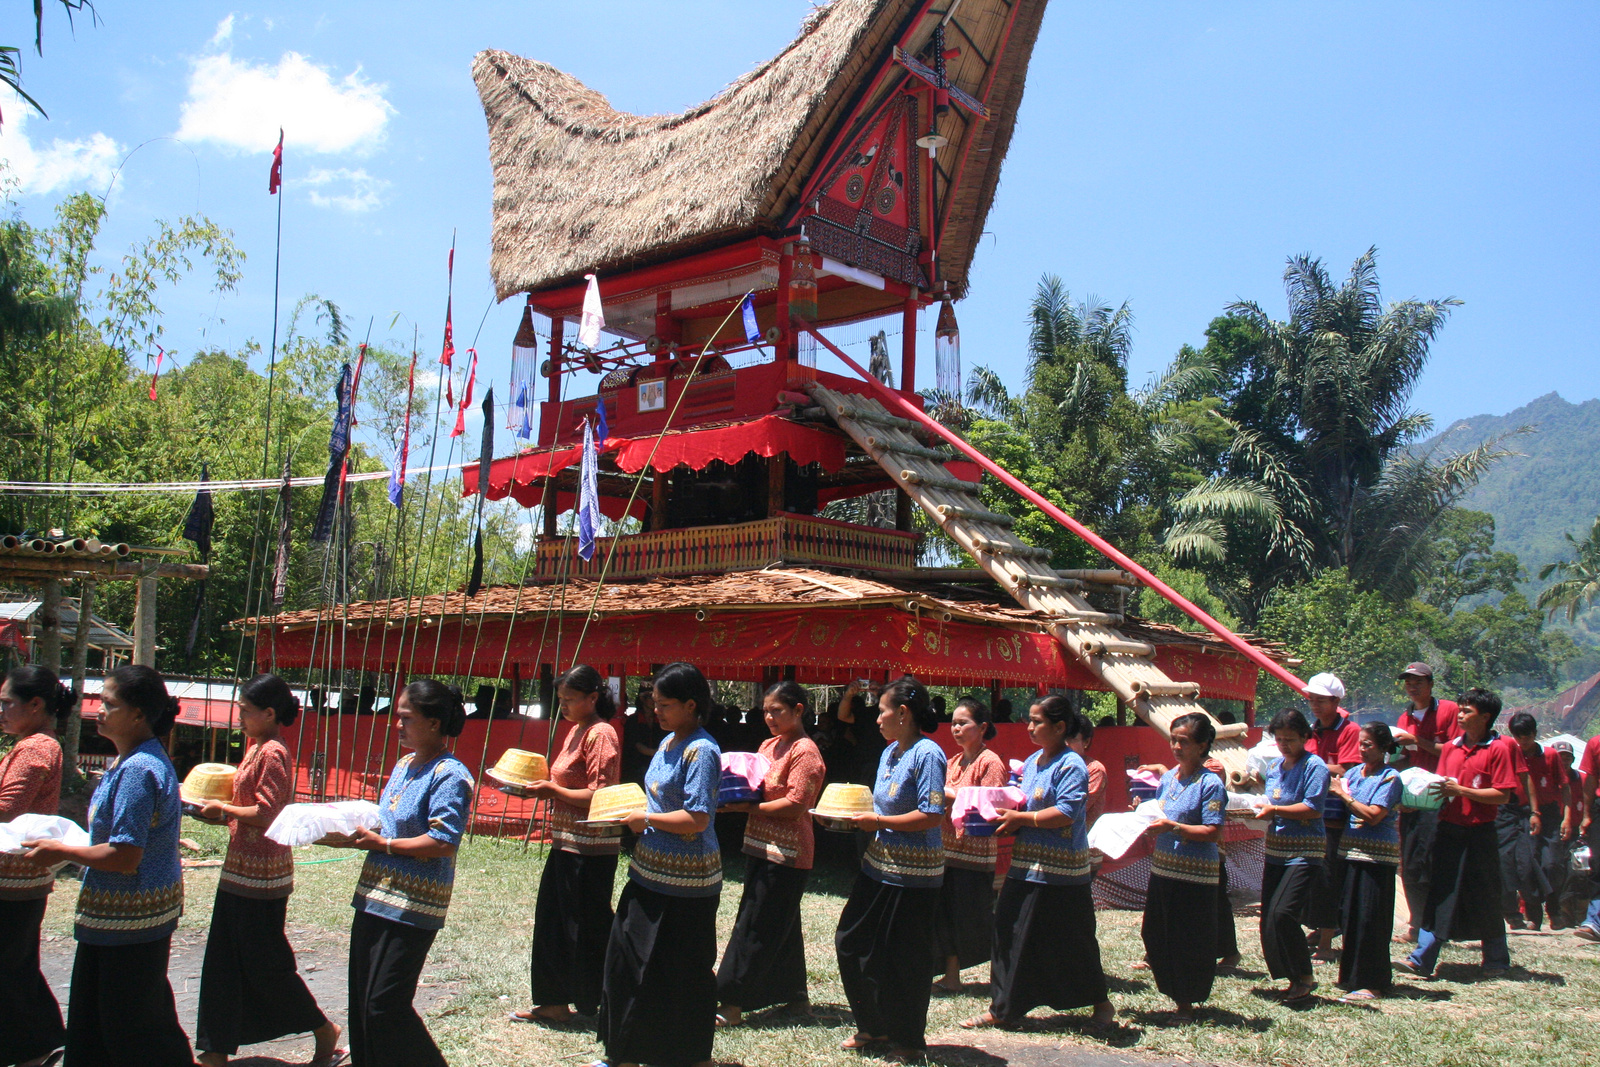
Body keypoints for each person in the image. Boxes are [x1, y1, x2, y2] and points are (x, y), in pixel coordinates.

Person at [24, 664, 192, 1066]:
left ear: (138, 714)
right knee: (113, 1021)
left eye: (109, 704)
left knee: (127, 1028)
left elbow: (125, 855)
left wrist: (61, 852)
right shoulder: (133, 760)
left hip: (129, 917)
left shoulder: (137, 770)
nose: (99, 710)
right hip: (127, 915)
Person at [195, 674, 339, 1067]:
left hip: (263, 877)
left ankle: (323, 1028)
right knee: (223, 960)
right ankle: (213, 1049)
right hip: (238, 869)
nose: (239, 716)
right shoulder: (254, 746)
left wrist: (224, 810)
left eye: (245, 710)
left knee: (266, 964)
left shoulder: (273, 752)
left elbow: (268, 812)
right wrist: (218, 814)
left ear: (269, 713)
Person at [329, 679, 473, 1067]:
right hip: (374, 895)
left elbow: (443, 841)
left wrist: (383, 845)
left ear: (433, 722)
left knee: (384, 1005)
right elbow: (387, 823)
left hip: (415, 903)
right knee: (362, 1001)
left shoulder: (450, 774)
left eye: (406, 718)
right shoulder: (404, 765)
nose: (397, 725)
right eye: (397, 717)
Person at [963, 697, 1114, 1031]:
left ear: (1059, 727)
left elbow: (1067, 812)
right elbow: (1018, 797)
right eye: (1028, 720)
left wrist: (1023, 818)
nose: (1029, 727)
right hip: (1024, 865)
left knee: (1071, 940)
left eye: (1036, 721)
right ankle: (1003, 1007)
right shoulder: (1032, 762)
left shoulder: (1071, 765)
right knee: (1007, 932)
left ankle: (1101, 1004)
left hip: (1062, 872)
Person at [599, 662, 722, 1067]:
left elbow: (698, 817)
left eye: (665, 705)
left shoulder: (701, 750)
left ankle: (689, 1055)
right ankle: (627, 1054)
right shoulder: (668, 743)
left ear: (691, 705)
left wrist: (646, 819)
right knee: (628, 963)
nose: (657, 712)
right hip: (648, 870)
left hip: (688, 883)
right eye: (654, 704)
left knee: (681, 973)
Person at [834, 674, 946, 1057]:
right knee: (852, 942)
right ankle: (874, 1025)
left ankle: (909, 1041)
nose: (877, 719)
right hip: (877, 865)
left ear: (902, 712)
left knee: (906, 958)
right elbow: (881, 805)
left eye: (882, 711)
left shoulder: (928, 754)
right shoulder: (890, 752)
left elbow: (931, 814)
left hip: (914, 875)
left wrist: (878, 823)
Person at [514, 665, 622, 1024]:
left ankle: (607, 998)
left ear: (593, 698)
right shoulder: (576, 730)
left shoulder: (601, 733)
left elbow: (601, 794)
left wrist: (553, 790)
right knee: (554, 920)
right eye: (560, 700)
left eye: (571, 699)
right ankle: (554, 1001)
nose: (564, 706)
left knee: (586, 925)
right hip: (566, 840)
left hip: (590, 847)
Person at [715, 680, 825, 1027]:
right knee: (781, 923)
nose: (769, 718)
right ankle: (795, 997)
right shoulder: (769, 744)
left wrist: (746, 808)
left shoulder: (805, 752)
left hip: (789, 852)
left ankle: (731, 1002)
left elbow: (795, 805)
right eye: (765, 711)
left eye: (776, 711)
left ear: (798, 711)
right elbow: (754, 781)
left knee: (757, 924)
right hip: (760, 844)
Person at [1401, 688, 1517, 978]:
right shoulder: (1451, 748)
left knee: (1486, 893)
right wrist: (1414, 801)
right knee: (1440, 891)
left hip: (1480, 833)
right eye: (1460, 709)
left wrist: (1463, 791)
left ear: (1486, 717)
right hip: (1447, 830)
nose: (1461, 715)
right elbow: (1441, 788)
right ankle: (1422, 958)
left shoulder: (1499, 749)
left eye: (1467, 711)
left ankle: (1496, 959)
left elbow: (1502, 795)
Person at [0, 666, 71, 1067]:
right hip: (20, 876)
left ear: (36, 704)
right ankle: (40, 1041)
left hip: (14, 878)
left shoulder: (36, 748)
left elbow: (8, 809)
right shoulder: (34, 744)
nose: (2, 711)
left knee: (10, 966)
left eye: (8, 703)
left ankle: (35, 1045)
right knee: (15, 965)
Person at [1139, 713, 1226, 1022]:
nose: (1175, 746)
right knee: (1154, 932)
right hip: (1164, 869)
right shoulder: (1168, 778)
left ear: (1202, 746)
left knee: (1188, 939)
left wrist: (1172, 828)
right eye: (1173, 739)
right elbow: (1161, 814)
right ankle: (1173, 991)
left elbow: (1212, 831)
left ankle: (1186, 1002)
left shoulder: (1211, 783)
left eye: (1183, 741)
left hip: (1195, 875)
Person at [932, 697, 1007, 993]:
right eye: (953, 723)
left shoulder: (991, 762)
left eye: (964, 723)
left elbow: (992, 803)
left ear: (983, 727)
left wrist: (950, 795)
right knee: (947, 915)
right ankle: (952, 976)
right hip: (946, 850)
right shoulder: (952, 762)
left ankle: (998, 974)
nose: (956, 728)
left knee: (970, 918)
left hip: (975, 855)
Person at [1256, 709, 1329, 1003]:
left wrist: (1275, 811)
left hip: (1305, 850)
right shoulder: (1274, 767)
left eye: (1290, 739)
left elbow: (1313, 807)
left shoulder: (1315, 767)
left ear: (1304, 738)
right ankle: (1289, 975)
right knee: (1269, 918)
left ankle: (1305, 976)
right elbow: (1270, 800)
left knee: (1283, 913)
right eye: (1279, 739)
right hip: (1276, 849)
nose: (1284, 745)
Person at [1329, 722, 1403, 1001]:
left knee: (1371, 919)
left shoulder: (1390, 778)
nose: (1361, 749)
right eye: (1360, 744)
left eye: (1368, 744)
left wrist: (1344, 796)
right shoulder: (1354, 774)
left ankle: (1373, 981)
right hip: (1351, 853)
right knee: (1351, 916)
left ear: (1384, 748)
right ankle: (1352, 977)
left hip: (1377, 858)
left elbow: (1373, 815)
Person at [1390, 662, 1459, 940]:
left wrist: (1416, 740)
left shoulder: (1449, 711)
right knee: (1410, 862)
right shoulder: (1404, 717)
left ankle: (1438, 925)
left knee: (1435, 862)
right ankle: (1417, 923)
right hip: (1411, 799)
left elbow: (1454, 750)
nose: (1412, 686)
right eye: (1408, 682)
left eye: (1417, 681)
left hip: (1439, 798)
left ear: (1431, 684)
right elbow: (1406, 758)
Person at [1301, 673, 1359, 960]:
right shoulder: (1312, 730)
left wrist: (1312, 767)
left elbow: (1349, 769)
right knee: (1314, 877)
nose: (1314, 704)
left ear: (1336, 701)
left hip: (1337, 819)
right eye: (1312, 699)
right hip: (1313, 816)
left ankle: (1326, 939)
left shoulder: (1350, 731)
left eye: (1321, 700)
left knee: (1329, 879)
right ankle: (1320, 928)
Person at [1501, 712, 1569, 930]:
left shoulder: (1550, 755)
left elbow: (1564, 786)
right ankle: (1532, 916)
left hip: (1548, 815)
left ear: (1535, 734)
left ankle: (1554, 908)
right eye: (1518, 737)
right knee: (1525, 864)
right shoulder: (1509, 754)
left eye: (1527, 736)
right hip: (1518, 812)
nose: (1523, 742)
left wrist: (1566, 817)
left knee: (1551, 863)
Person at [1575, 730, 1600, 941]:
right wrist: (1586, 815)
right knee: (1598, 865)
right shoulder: (1596, 743)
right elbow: (1590, 780)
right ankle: (1594, 920)